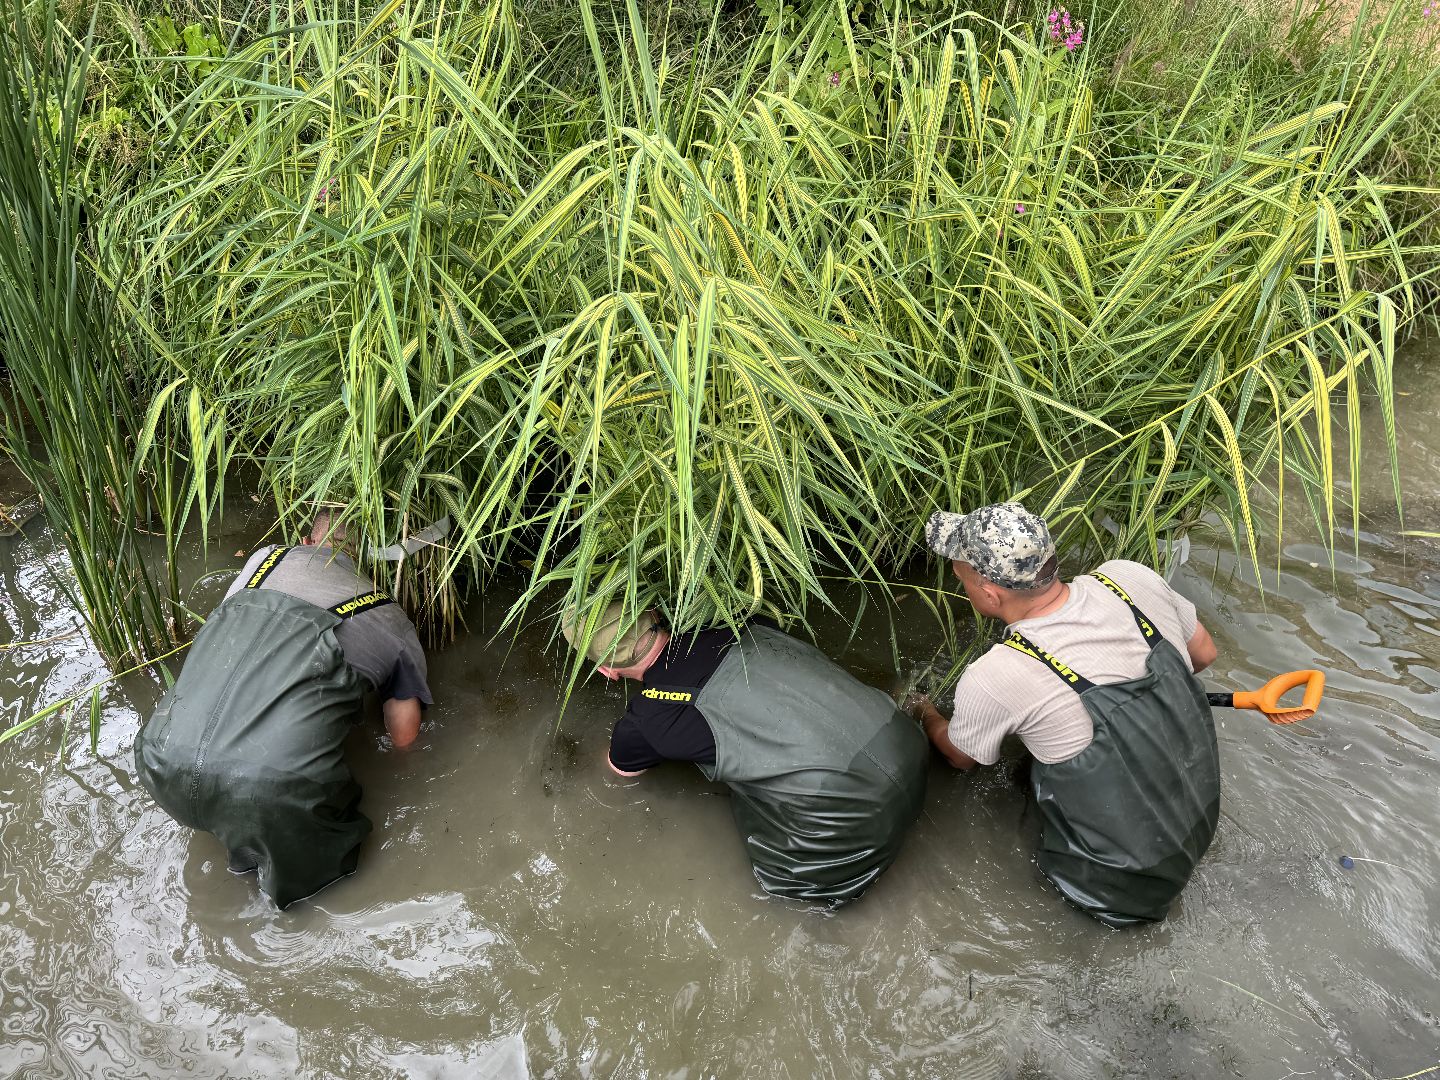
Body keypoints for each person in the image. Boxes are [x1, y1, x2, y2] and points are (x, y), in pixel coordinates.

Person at [911, 502, 1221, 927]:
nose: (961, 586)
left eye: (961, 578)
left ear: (989, 593)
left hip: (1115, 888)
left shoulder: (995, 675)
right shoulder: (1129, 578)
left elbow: (961, 757)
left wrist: (924, 711)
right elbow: (1203, 654)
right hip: (1200, 823)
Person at [134, 510, 432, 908]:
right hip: (271, 792)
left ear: (306, 542)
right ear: (367, 560)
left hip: (160, 757)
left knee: (230, 810)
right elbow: (403, 735)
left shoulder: (264, 559)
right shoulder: (389, 618)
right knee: (311, 892)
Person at [562, 604, 929, 905]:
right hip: (907, 746)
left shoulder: (645, 722)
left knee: (785, 881)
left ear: (607, 671)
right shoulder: (732, 619)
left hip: (850, 819)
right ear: (656, 615)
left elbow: (616, 775)